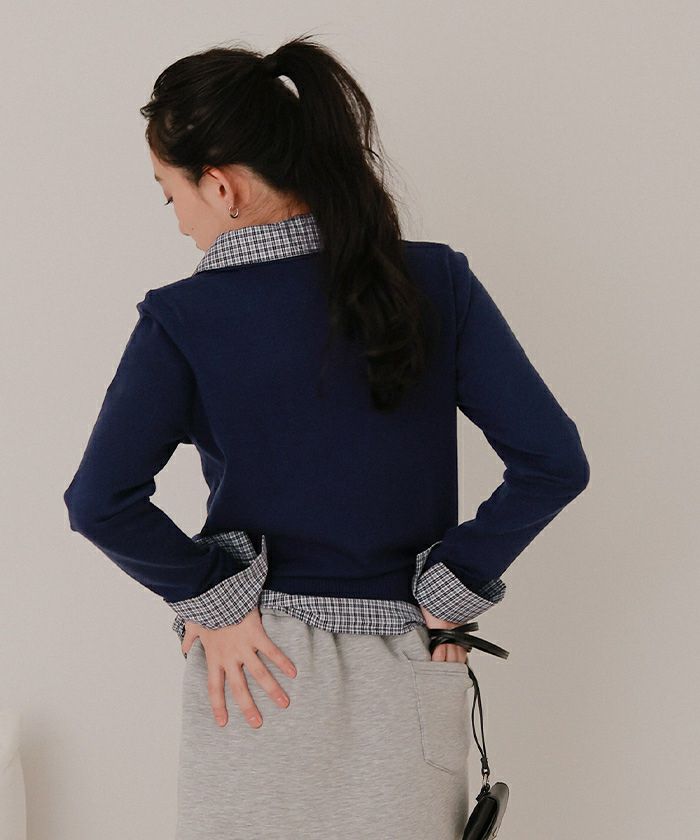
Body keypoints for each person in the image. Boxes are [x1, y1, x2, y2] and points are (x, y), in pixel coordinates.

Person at [62, 33, 590, 840]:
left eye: (171, 197)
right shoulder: (435, 282)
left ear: (222, 187)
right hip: (408, 666)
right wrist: (449, 587)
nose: (181, 224)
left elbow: (101, 502)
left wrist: (215, 600)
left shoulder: (185, 319)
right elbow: (553, 463)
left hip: (254, 668)